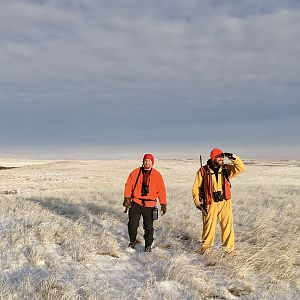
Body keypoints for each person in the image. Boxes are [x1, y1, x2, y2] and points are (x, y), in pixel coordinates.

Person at [192, 148, 245, 254]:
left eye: (222, 157)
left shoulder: (226, 169)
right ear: (213, 158)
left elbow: (241, 168)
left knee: (227, 226)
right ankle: (206, 250)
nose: (221, 159)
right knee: (208, 228)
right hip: (209, 203)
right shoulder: (203, 171)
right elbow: (195, 188)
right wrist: (198, 203)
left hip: (225, 202)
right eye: (219, 157)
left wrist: (232, 156)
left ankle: (228, 250)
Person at [123, 154, 167, 252]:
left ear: (152, 162)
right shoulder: (135, 172)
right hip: (136, 202)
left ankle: (148, 245)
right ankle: (132, 241)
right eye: (145, 161)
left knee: (148, 227)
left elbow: (161, 190)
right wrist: (127, 198)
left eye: (149, 161)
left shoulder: (157, 175)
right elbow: (128, 185)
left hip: (150, 205)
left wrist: (163, 204)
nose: (147, 163)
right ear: (143, 162)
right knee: (132, 224)